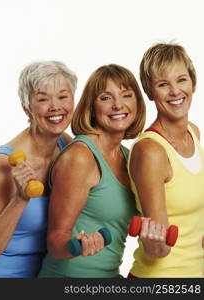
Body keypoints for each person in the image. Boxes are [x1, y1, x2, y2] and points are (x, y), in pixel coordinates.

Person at [0, 61, 77, 277]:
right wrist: (20, 199)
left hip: (41, 273)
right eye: (43, 99)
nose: (55, 107)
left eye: (63, 96)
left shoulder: (65, 145)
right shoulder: (4, 163)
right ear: (27, 107)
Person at [38, 64, 146, 278]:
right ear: (91, 107)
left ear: (137, 103)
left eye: (126, 95)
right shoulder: (81, 157)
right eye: (106, 98)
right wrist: (76, 245)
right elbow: (55, 240)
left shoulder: (128, 157)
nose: (118, 105)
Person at [127, 42, 204, 278]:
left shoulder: (193, 132)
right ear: (150, 92)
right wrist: (154, 242)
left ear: (193, 82)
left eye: (181, 80)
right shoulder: (151, 151)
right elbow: (158, 249)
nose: (175, 91)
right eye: (163, 84)